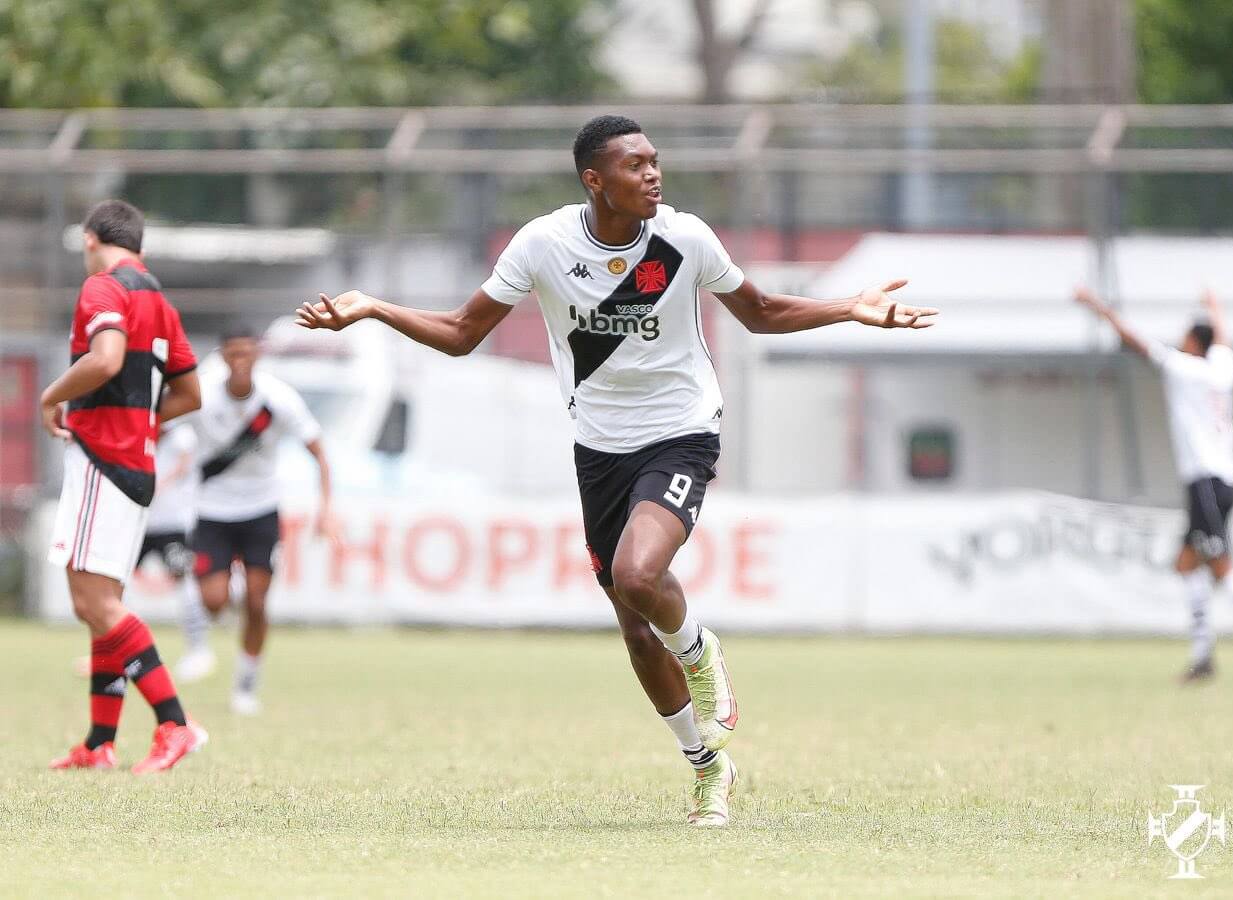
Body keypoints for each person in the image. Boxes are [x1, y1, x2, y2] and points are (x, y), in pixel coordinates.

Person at [296, 115, 937, 826]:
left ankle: (700, 651)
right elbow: (460, 333)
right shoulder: (542, 244)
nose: (654, 174)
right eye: (636, 166)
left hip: (682, 433)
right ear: (594, 180)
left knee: (639, 574)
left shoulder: (684, 239)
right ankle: (707, 767)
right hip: (599, 447)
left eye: (656, 161)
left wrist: (849, 307)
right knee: (634, 628)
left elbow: (760, 313)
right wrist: (373, 308)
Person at [43, 199, 209, 773]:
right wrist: (145, 423)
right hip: (136, 465)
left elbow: (106, 357)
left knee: (93, 603)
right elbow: (191, 393)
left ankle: (175, 724)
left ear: (91, 238)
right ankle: (99, 742)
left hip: (101, 458)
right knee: (101, 606)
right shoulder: (157, 299)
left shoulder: (104, 288)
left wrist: (52, 395)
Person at [1075, 287, 1233, 683]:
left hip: (1206, 481)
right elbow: (1222, 339)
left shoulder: (1185, 369)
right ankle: (1204, 657)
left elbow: (1134, 342)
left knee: (1222, 567)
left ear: (1194, 343)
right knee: (1187, 564)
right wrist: (1216, 306)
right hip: (1220, 478)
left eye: (1186, 336)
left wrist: (1098, 307)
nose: (1181, 341)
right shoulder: (1223, 369)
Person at [190, 324, 338, 715]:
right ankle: (226, 600)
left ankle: (245, 685)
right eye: (232, 354)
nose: (240, 361)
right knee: (214, 602)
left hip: (261, 510)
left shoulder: (279, 399)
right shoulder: (201, 394)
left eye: (247, 353)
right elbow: (161, 427)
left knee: (257, 602)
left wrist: (325, 509)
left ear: (258, 355)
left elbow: (319, 452)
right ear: (222, 357)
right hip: (212, 510)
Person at [138, 421, 215, 682]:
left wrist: (155, 484)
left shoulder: (182, 434)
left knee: (184, 581)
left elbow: (184, 464)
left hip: (172, 524)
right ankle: (112, 651)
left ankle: (198, 649)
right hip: (140, 522)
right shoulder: (142, 430)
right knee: (116, 582)